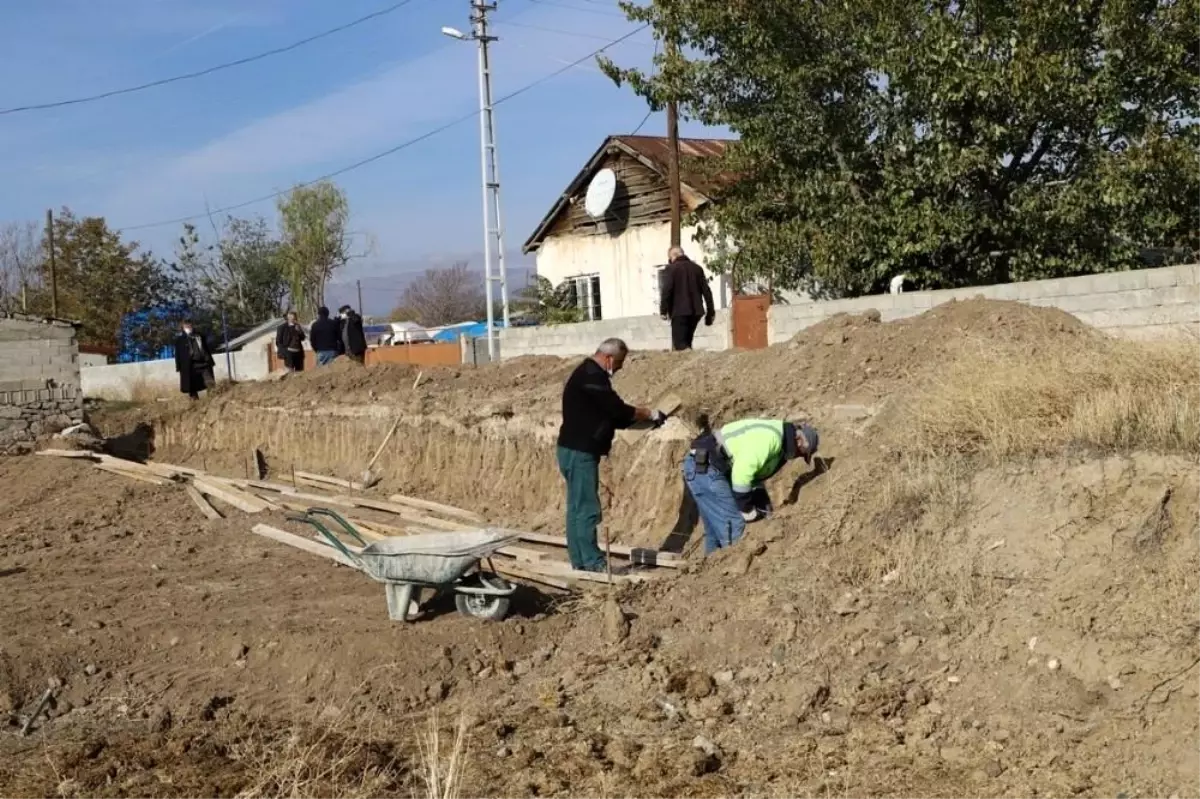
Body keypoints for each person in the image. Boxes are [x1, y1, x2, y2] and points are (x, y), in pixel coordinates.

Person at [557, 338, 666, 572]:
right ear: (608, 358)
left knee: (577, 507)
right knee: (587, 508)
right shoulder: (592, 376)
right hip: (580, 452)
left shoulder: (587, 374)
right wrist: (649, 413)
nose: (620, 367)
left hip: (571, 449)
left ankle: (581, 561)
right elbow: (616, 409)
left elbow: (610, 416)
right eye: (619, 362)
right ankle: (593, 563)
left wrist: (641, 423)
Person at [682, 418, 819, 555]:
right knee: (735, 526)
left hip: (702, 466)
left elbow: (752, 474)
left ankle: (707, 571)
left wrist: (761, 501)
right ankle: (732, 572)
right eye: (800, 454)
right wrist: (747, 510)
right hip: (707, 468)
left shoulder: (776, 434)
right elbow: (741, 475)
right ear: (799, 441)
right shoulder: (771, 439)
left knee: (714, 533)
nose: (796, 457)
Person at [659, 246, 715, 351]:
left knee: (680, 345)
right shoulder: (697, 268)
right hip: (696, 312)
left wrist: (663, 310)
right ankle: (692, 362)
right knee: (687, 341)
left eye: (669, 259)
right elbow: (707, 291)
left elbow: (666, 291)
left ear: (673, 256)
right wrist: (710, 312)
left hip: (679, 312)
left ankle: (689, 360)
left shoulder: (671, 269)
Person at [173, 319, 215, 400]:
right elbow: (178, 355)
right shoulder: (180, 340)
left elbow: (206, 349)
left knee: (210, 383)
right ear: (183, 327)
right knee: (191, 386)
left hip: (204, 363)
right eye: (186, 326)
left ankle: (212, 400)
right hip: (190, 365)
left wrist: (210, 360)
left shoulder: (199, 336)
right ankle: (195, 404)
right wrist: (178, 366)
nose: (189, 327)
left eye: (190, 325)